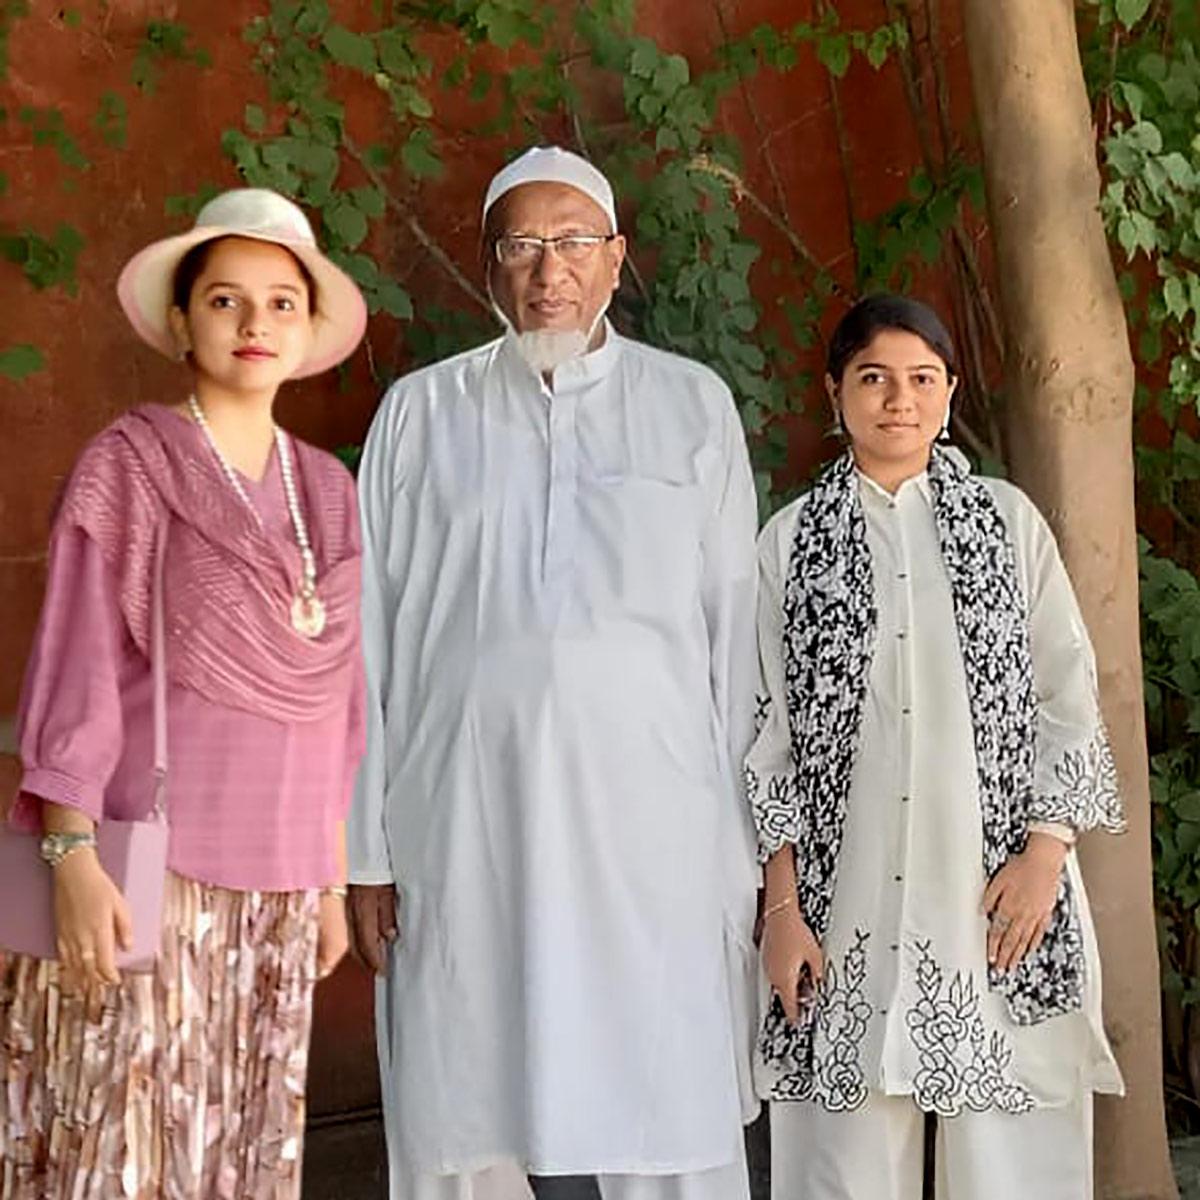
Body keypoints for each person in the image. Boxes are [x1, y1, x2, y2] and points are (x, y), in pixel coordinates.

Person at [346, 146, 760, 1200]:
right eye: (522, 246)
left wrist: (743, 848)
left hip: (651, 836)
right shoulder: (418, 417)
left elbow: (734, 643)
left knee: (658, 1101)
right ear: (489, 269)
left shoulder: (691, 407)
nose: (549, 271)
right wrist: (365, 854)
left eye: (573, 242)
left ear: (617, 259)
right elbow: (369, 643)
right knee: (472, 1110)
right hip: (464, 829)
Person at [0, 187, 368, 1198]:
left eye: (280, 303)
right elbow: (73, 665)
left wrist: (331, 881)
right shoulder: (129, 467)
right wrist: (70, 855)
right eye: (226, 301)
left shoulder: (328, 490)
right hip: (150, 871)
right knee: (131, 1155)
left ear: (307, 327)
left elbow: (339, 704)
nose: (255, 325)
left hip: (286, 883)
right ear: (179, 320)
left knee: (246, 1153)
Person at [745, 293, 1126, 1199]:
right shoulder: (789, 545)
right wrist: (782, 909)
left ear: (951, 393)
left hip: (995, 898)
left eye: (922, 379)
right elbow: (768, 734)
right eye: (873, 378)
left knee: (1014, 1159)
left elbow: (1066, 690)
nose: (898, 401)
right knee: (842, 1164)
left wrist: (1046, 851)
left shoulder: (1006, 524)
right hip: (843, 910)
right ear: (834, 390)